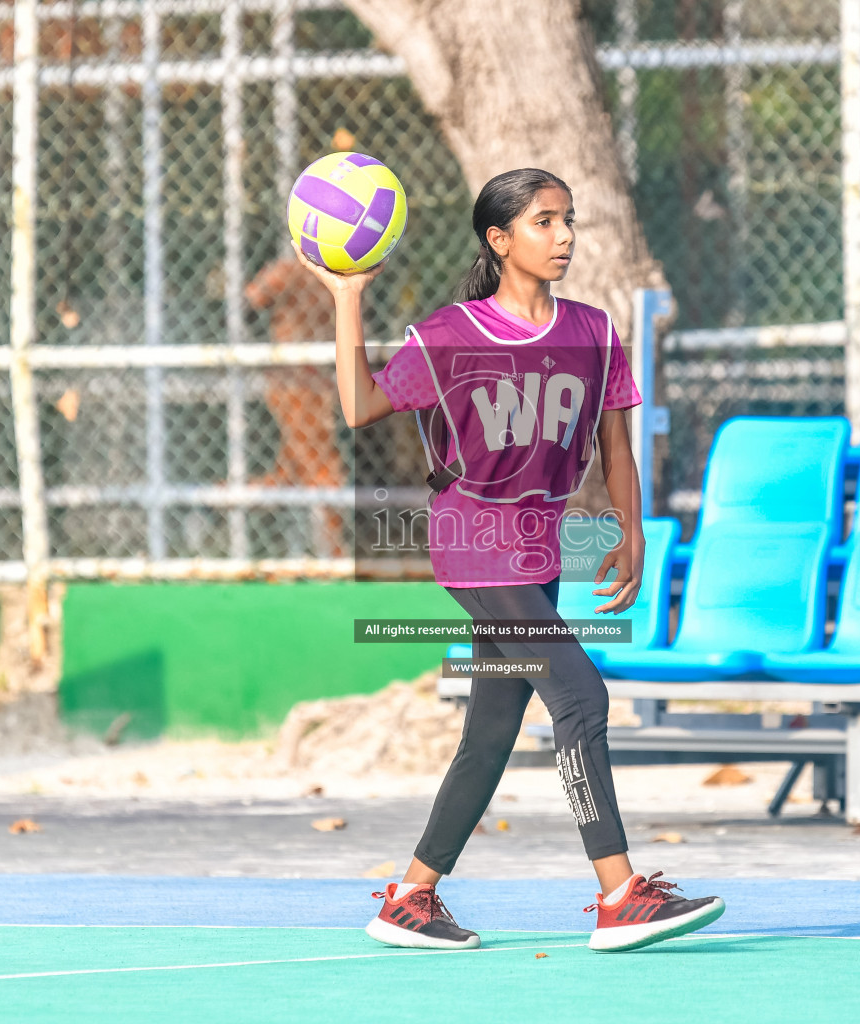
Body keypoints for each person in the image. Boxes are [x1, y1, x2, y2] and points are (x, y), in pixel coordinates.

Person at [294, 167, 725, 953]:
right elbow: (359, 407)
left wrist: (630, 532)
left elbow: (615, 446)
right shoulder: (448, 336)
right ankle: (619, 894)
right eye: (544, 223)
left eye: (568, 221)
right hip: (473, 541)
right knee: (579, 694)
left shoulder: (593, 331)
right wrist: (346, 295)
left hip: (539, 547)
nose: (563, 237)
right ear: (499, 241)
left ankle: (411, 897)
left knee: (492, 730)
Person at [244, 255, 346, 555]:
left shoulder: (342, 272)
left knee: (290, 472)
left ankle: (213, 505)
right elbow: (248, 305)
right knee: (323, 469)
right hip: (294, 379)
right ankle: (333, 553)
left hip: (318, 379)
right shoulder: (291, 269)